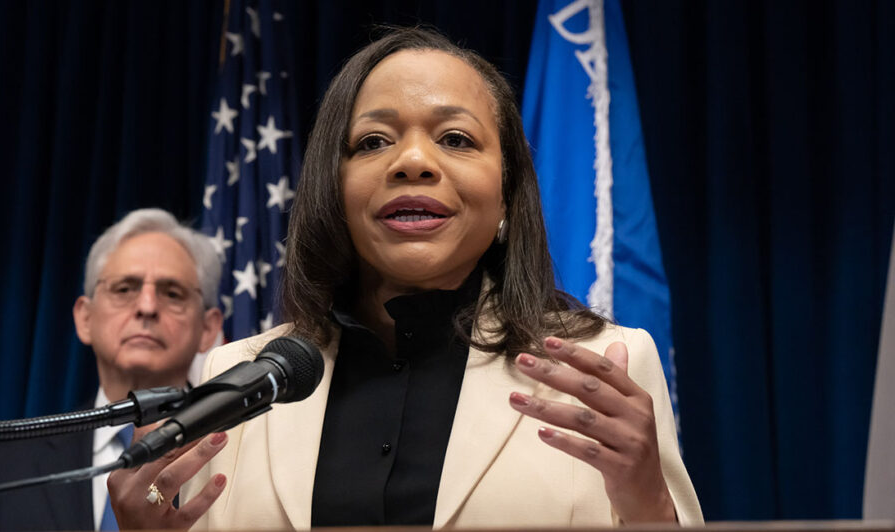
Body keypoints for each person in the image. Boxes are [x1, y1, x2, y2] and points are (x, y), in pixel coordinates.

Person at [108, 27, 703, 529]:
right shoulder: (236, 379)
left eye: (455, 139)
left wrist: (646, 502)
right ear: (332, 189)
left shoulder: (609, 363)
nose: (413, 161)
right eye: (372, 141)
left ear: (506, 193)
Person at [0, 208, 223, 531]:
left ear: (208, 329)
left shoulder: (234, 457)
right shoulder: (6, 469)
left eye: (172, 293)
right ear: (85, 318)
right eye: (124, 289)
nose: (147, 308)